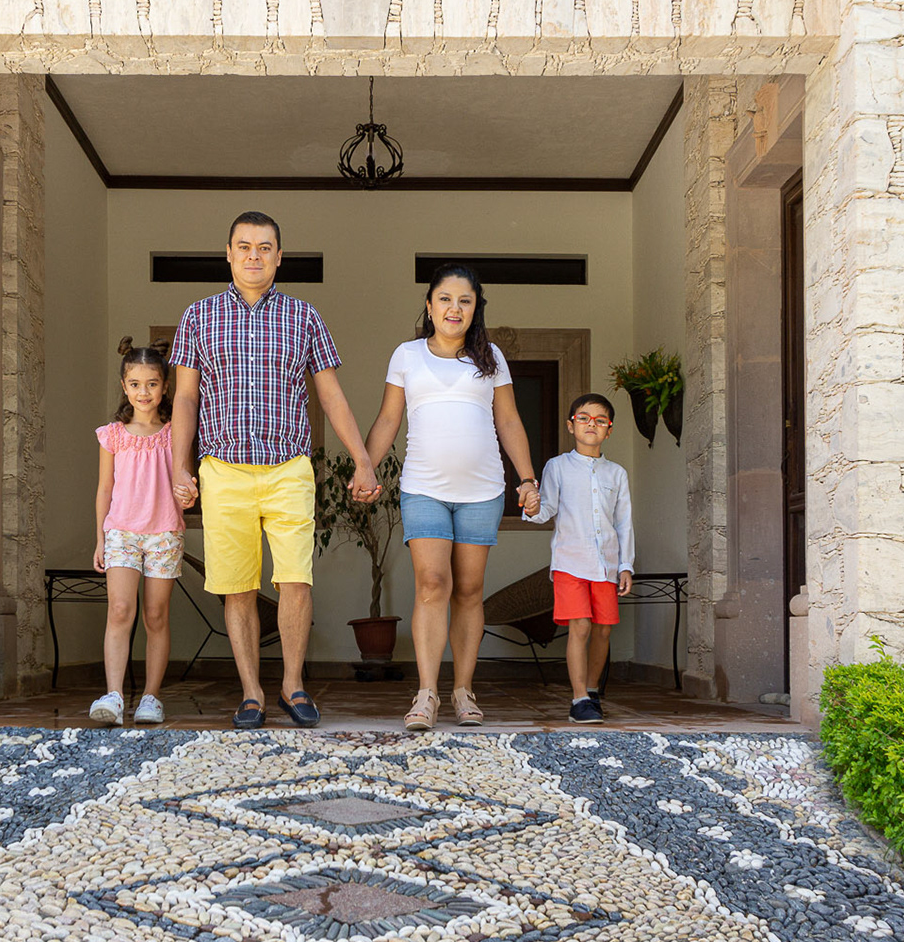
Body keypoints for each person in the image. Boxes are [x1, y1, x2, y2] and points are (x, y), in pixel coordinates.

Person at [170, 211, 380, 730]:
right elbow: (186, 398)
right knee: (237, 587)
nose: (254, 256)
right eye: (244, 247)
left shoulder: (304, 317)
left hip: (290, 468)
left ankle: (292, 685)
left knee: (295, 581)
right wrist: (179, 467)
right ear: (228, 253)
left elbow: (330, 395)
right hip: (223, 471)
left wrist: (363, 459)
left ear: (279, 257)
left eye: (265, 248)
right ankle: (250, 694)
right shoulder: (198, 317)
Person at [361, 264, 539, 731]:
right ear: (429, 305)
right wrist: (365, 466)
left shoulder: (491, 357)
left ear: (475, 308)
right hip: (424, 488)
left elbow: (510, 422)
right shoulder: (407, 355)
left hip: (482, 491)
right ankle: (426, 693)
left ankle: (463, 689)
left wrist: (527, 478)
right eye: (445, 299)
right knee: (432, 584)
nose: (454, 308)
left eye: (464, 300)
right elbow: (387, 420)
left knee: (469, 590)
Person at [524, 392, 634, 723]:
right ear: (571, 425)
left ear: (609, 430)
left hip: (607, 563)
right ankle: (578, 699)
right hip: (571, 561)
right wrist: (532, 507)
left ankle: (593, 690)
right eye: (584, 419)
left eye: (601, 421)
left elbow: (624, 522)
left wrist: (626, 565)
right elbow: (547, 509)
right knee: (580, 626)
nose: (592, 425)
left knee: (602, 630)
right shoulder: (557, 467)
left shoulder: (617, 474)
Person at [89, 338, 182, 726]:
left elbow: (184, 479)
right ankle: (112, 696)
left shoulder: (177, 432)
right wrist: (100, 538)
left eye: (152, 384)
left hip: (164, 533)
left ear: (164, 387)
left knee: (156, 615)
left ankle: (150, 697)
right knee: (120, 609)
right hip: (122, 532)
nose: (144, 392)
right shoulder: (113, 435)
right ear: (124, 386)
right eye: (135, 384)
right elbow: (105, 488)